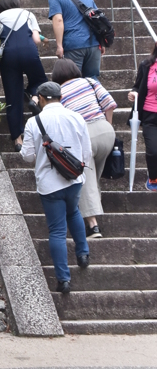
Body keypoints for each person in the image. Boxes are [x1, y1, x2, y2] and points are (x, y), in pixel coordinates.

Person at [20, 81, 92, 292]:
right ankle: (83, 253)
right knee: (74, 212)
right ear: (60, 97)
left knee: (57, 231)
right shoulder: (77, 117)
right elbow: (86, 152)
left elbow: (28, 156)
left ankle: (63, 279)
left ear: (41, 98)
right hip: (74, 179)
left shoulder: (35, 122)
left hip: (50, 184)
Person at [51, 58, 116, 238]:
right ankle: (93, 208)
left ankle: (93, 225)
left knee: (86, 179)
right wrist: (108, 125)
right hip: (105, 132)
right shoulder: (90, 81)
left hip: (84, 135)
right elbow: (110, 103)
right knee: (92, 176)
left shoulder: (59, 92)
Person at [0, 0, 47, 148]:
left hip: (8, 57)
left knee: (12, 96)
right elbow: (36, 39)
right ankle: (35, 98)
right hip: (29, 52)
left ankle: (18, 139)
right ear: (16, 2)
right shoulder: (28, 14)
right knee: (39, 80)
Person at [46, 0, 104, 79]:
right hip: (94, 44)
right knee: (92, 80)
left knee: (73, 80)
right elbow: (98, 19)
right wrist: (101, 42)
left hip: (74, 44)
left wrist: (59, 46)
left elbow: (58, 20)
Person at [128, 42, 157, 192]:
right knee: (153, 151)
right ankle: (153, 177)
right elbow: (137, 86)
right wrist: (133, 92)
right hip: (149, 114)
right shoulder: (147, 65)